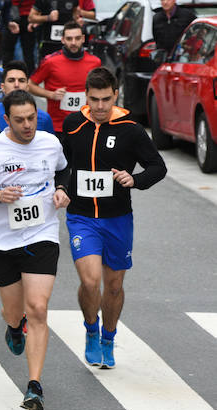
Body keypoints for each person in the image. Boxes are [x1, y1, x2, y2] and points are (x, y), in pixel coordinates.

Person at [0, 89, 70, 410]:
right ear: (6, 119)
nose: (27, 126)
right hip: (3, 241)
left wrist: (62, 189)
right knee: (15, 311)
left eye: (32, 119)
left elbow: (64, 169)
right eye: (19, 120)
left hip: (42, 233)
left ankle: (34, 386)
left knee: (37, 307)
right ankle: (13, 326)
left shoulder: (50, 143)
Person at [61, 67, 166, 368]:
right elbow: (61, 163)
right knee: (91, 281)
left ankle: (109, 336)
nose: (100, 107)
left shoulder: (131, 129)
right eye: (94, 100)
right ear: (86, 96)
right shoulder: (73, 124)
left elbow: (158, 167)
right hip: (81, 216)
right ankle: (91, 329)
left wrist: (135, 179)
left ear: (116, 94)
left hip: (118, 217)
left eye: (106, 99)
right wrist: (60, 186)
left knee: (115, 285)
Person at [27, 20, 100, 137]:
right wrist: (50, 94)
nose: (73, 42)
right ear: (63, 40)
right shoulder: (50, 61)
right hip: (58, 126)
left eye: (77, 38)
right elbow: (29, 85)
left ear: (83, 39)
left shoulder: (95, 62)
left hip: (86, 124)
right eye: (69, 39)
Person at [0, 60, 55, 133]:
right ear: (3, 87)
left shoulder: (44, 118)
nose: (16, 85)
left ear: (27, 87)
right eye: (11, 80)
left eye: (21, 80)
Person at [29, 0, 95, 61]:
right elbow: (31, 18)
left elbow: (75, 14)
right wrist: (48, 17)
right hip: (48, 43)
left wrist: (77, 21)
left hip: (67, 43)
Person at [1, 0, 36, 73]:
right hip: (24, 14)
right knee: (28, 53)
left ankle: (7, 74)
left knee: (9, 51)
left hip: (21, 14)